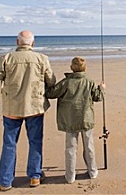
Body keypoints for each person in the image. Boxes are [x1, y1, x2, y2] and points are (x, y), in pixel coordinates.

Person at [0, 30, 56, 191]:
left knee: (10, 144)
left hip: (12, 109)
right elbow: (51, 81)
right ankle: (35, 177)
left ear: (17, 42)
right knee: (35, 142)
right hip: (35, 108)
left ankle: (5, 181)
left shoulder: (6, 58)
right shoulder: (42, 59)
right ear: (33, 43)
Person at [46, 56, 105, 184]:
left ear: (72, 68)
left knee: (70, 148)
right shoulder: (89, 81)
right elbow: (98, 97)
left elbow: (51, 93)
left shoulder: (66, 82)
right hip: (86, 119)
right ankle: (92, 172)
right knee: (89, 146)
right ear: (85, 68)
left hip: (69, 120)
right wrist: (102, 88)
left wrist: (47, 83)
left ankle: (70, 176)